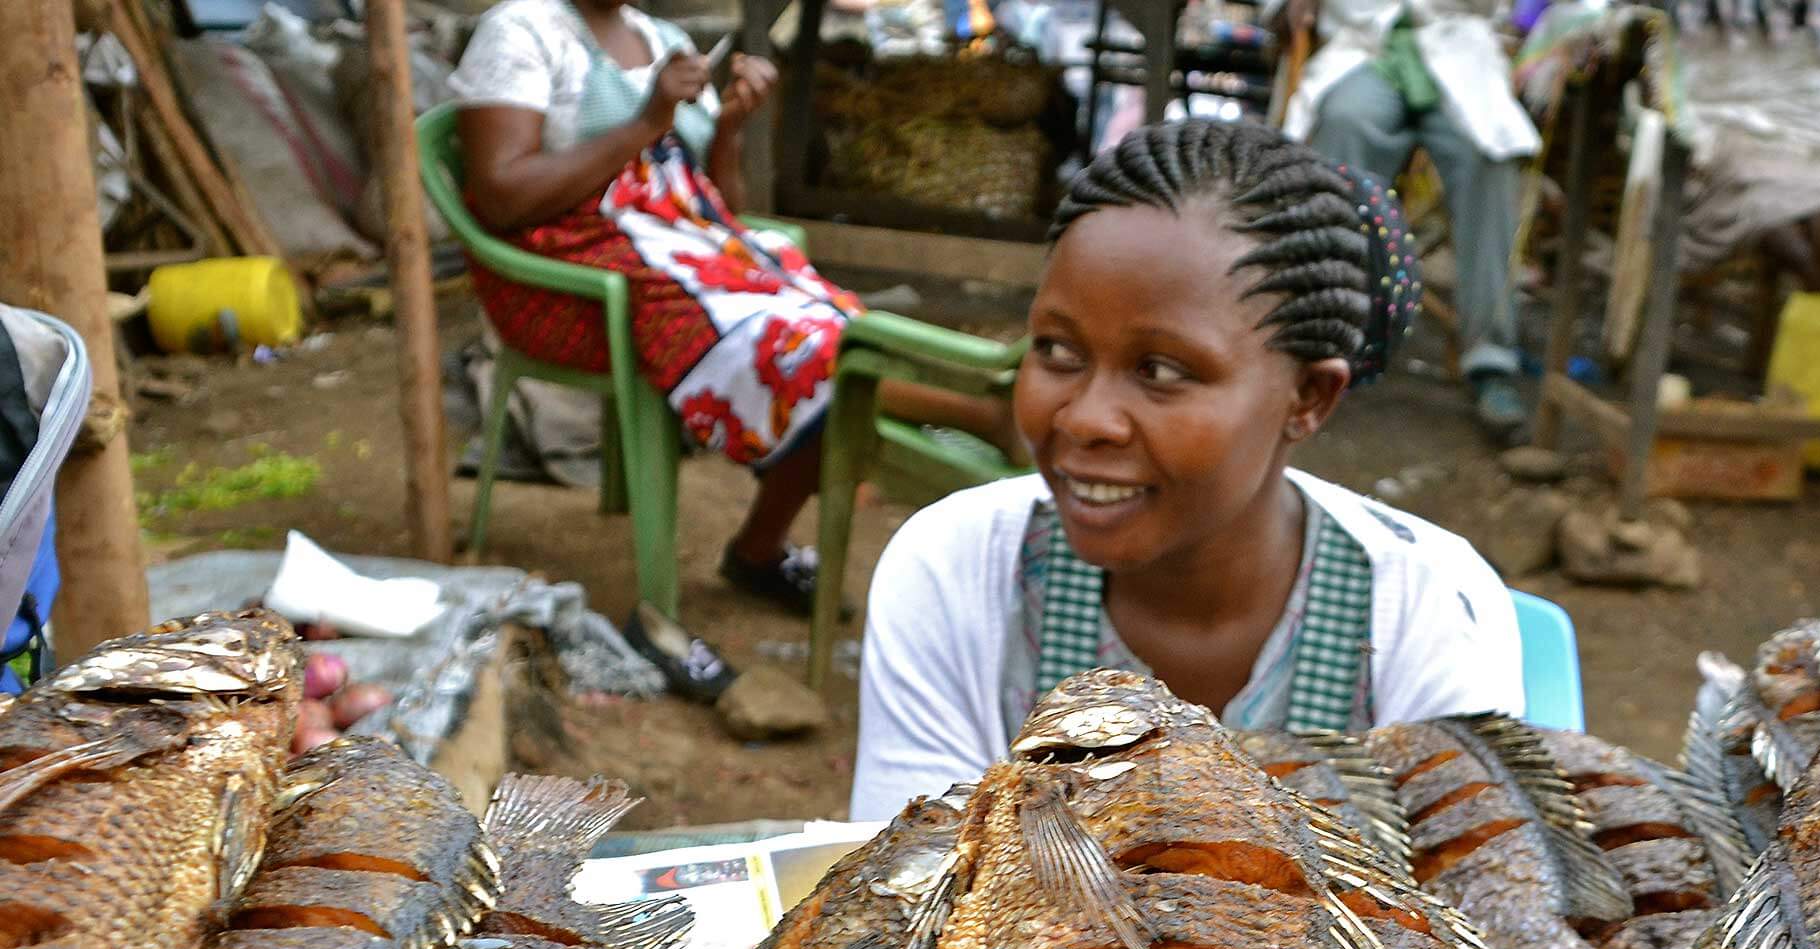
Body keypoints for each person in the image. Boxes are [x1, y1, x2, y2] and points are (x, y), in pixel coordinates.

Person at [851, 120, 1524, 820]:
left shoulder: (1426, 612)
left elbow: (1473, 879)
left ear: (1308, 397)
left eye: (1161, 371)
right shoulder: (960, 574)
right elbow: (908, 876)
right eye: (1057, 351)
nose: (1087, 419)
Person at [448, 0, 1011, 617]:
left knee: (831, 319)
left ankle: (758, 548)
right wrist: (647, 122)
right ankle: (984, 413)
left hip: (684, 250)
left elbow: (719, 209)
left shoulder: (658, 37)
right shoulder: (522, 31)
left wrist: (730, 128)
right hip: (570, 278)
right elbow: (502, 198)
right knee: (788, 344)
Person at [1277, 0, 1539, 439]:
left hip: (1457, 48)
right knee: (1344, 126)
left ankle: (1490, 363)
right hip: (1364, 49)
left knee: (1489, 157)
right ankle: (1322, 340)